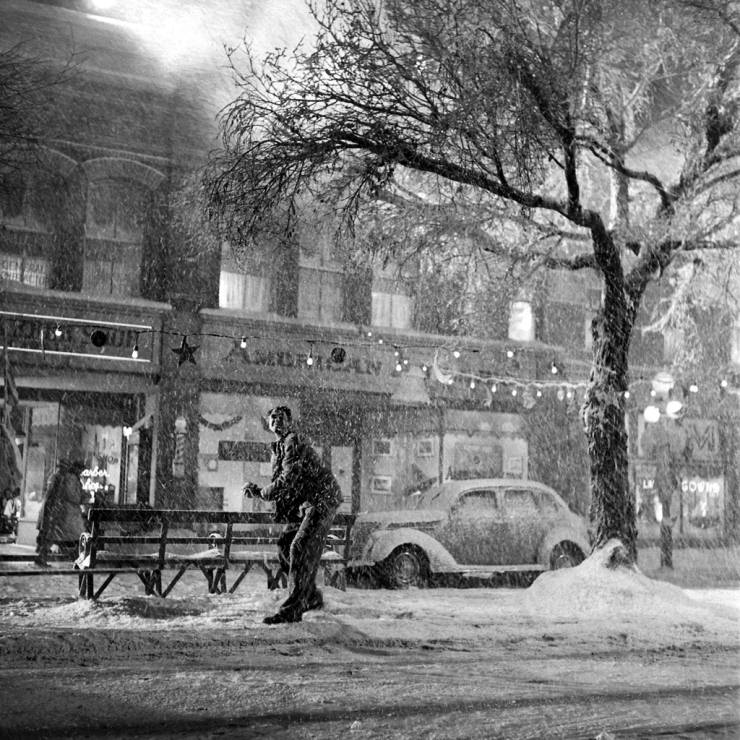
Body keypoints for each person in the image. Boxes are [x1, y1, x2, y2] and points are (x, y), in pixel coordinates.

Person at [243, 406, 343, 624]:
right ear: (267, 423)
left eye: (281, 418)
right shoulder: (279, 447)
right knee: (285, 544)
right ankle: (310, 596)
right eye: (273, 418)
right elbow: (287, 485)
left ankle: (293, 610)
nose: (276, 421)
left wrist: (261, 492)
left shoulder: (292, 441)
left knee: (298, 548)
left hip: (321, 501)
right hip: (306, 504)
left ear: (289, 422)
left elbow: (289, 479)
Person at [36, 459, 87, 565]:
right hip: (63, 512)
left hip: (59, 510)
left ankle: (43, 555)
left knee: (56, 535)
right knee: (65, 536)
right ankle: (75, 558)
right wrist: (82, 497)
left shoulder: (59, 477)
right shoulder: (65, 478)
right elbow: (71, 495)